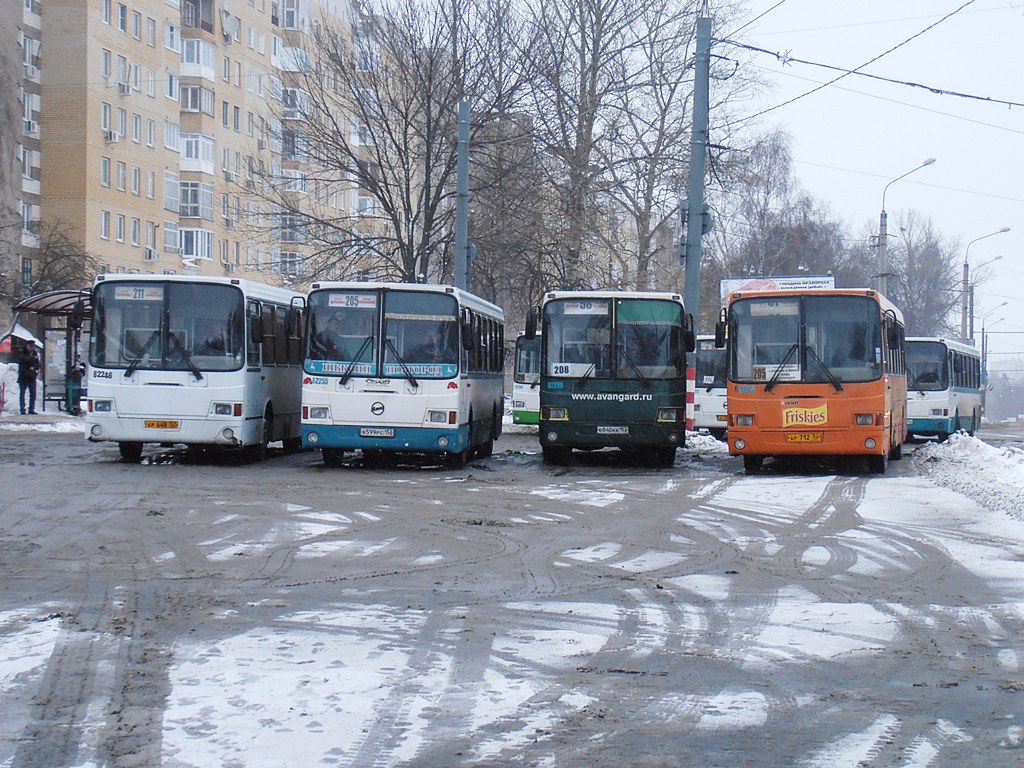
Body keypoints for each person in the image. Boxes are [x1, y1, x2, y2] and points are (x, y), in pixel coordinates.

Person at [18, 342, 40, 415]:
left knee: (33, 393)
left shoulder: (34, 353)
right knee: (22, 393)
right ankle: (22, 409)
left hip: (32, 376)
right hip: (23, 376)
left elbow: (38, 364)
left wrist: (34, 367)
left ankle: (31, 409)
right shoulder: (22, 352)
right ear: (27, 346)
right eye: (30, 346)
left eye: (32, 347)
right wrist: (32, 360)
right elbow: (24, 360)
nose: (31, 348)